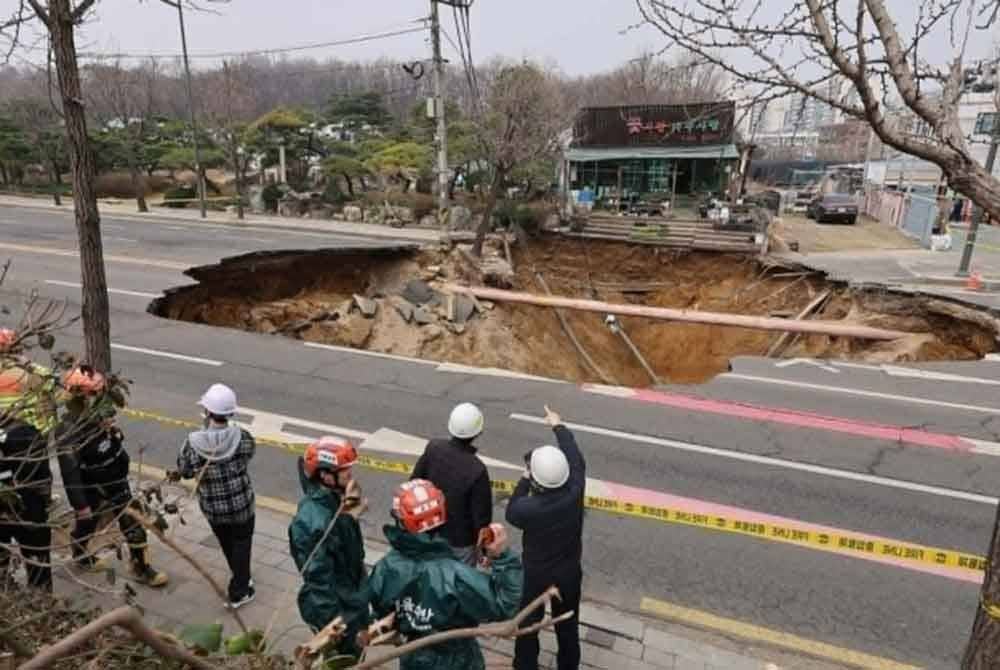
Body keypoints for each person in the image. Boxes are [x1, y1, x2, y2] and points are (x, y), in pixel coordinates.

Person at [365, 479, 523, 670]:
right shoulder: (456, 576)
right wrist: (503, 557)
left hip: (413, 658)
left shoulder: (386, 567)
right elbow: (505, 604)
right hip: (458, 661)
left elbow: (378, 612)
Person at [56, 366, 168, 587]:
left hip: (116, 479)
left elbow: (110, 444)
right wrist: (80, 505)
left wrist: (114, 434)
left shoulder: (98, 417)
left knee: (132, 523)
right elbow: (69, 472)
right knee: (88, 522)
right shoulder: (68, 430)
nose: (98, 398)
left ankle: (141, 567)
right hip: (93, 484)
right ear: (78, 396)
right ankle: (81, 554)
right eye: (93, 393)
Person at [507, 405, 586, 670]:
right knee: (568, 626)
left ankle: (525, 665)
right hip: (569, 572)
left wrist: (524, 478)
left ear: (536, 482)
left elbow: (511, 510)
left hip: (536, 575)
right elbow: (575, 456)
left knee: (528, 626)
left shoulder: (528, 509)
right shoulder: (576, 489)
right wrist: (558, 425)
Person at [175, 383, 256, 608]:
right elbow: (248, 454)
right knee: (242, 543)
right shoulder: (243, 436)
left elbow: (184, 470)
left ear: (207, 411)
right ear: (230, 413)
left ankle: (240, 577)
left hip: (213, 508)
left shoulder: (193, 442)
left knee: (227, 542)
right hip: (242, 503)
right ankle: (240, 590)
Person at [288, 437, 369, 657]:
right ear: (325, 476)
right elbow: (318, 583)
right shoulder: (311, 522)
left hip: (353, 596)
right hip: (340, 610)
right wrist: (334, 627)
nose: (350, 475)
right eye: (345, 470)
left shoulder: (335, 500)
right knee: (345, 659)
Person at [411, 402, 492, 564]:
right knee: (459, 579)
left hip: (429, 531)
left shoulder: (434, 448)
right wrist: (484, 551)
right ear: (478, 432)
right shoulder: (477, 469)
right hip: (460, 542)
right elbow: (481, 519)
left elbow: (415, 482)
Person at [0, 418, 53, 591]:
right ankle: (42, 596)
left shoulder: (24, 433)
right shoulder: (28, 432)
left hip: (11, 507)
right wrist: (46, 500)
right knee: (38, 561)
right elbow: (44, 476)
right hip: (30, 506)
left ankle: (7, 594)